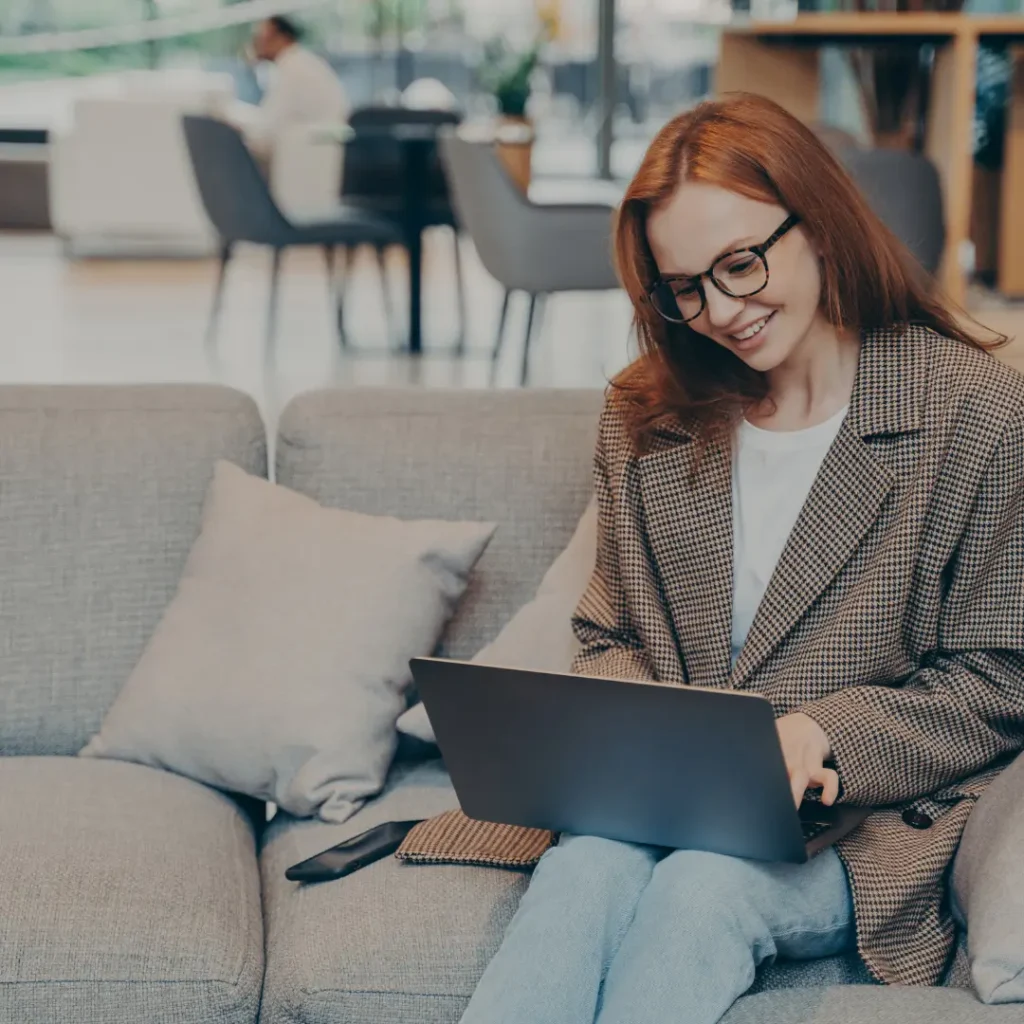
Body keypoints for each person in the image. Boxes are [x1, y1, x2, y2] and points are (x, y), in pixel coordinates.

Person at [451, 93, 1024, 1024]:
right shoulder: (647, 412)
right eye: (685, 286)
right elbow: (607, 629)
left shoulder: (976, 414)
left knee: (701, 891)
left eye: (741, 264)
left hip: (871, 826)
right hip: (664, 800)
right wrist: (645, 737)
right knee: (583, 869)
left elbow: (1004, 677)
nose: (720, 311)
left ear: (822, 222)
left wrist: (826, 733)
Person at [238, 15, 349, 160]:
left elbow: (264, 137)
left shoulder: (293, 70)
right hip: (323, 154)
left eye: (260, 36)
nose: (256, 43)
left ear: (281, 37)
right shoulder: (303, 63)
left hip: (313, 159)